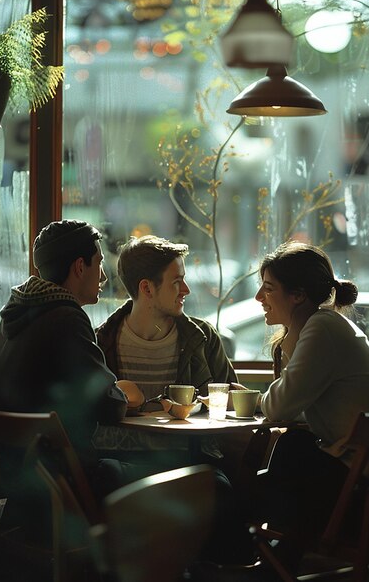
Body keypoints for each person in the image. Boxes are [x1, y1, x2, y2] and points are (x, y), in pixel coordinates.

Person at [95, 234, 253, 566]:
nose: (187, 291)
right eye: (177, 282)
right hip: (124, 460)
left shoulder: (203, 338)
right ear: (147, 288)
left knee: (221, 492)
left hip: (190, 458)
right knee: (103, 479)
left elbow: (231, 405)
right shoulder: (101, 342)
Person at [253, 240, 369, 564]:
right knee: (294, 445)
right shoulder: (321, 327)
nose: (258, 298)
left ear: (298, 295)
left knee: (291, 448)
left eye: (268, 289)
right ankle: (272, 558)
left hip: (363, 489)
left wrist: (255, 400)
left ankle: (262, 555)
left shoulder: (322, 328)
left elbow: (279, 406)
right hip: (367, 479)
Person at [0, 219, 129, 543]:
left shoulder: (15, 313)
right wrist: (125, 395)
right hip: (58, 482)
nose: (104, 276)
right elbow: (109, 406)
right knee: (182, 477)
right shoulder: (66, 316)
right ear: (80, 267)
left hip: (22, 483)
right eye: (100, 264)